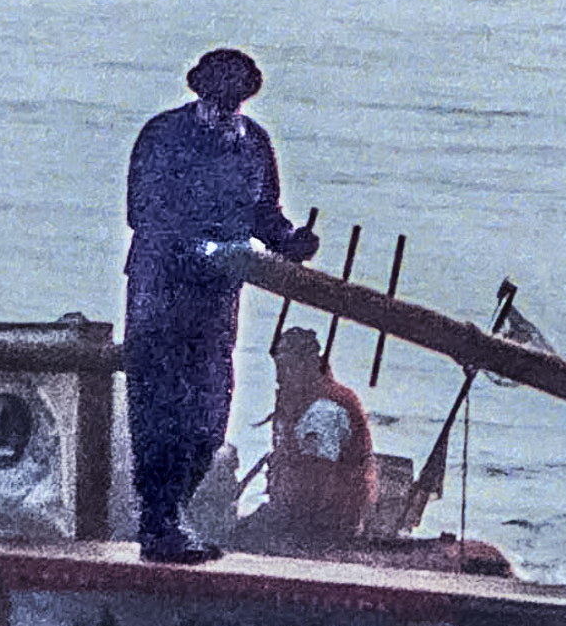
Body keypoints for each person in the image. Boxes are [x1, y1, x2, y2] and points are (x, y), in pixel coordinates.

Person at [123, 46, 317, 562]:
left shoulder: (253, 144)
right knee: (161, 413)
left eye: (234, 102)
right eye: (217, 100)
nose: (225, 111)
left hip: (215, 302)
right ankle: (159, 523)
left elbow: (264, 214)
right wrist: (202, 249)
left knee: (209, 417)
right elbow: (143, 213)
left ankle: (175, 515)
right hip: (159, 295)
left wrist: (289, 241)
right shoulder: (162, 136)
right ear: (199, 93)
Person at [255, 328, 380, 548]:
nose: (279, 377)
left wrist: (292, 528)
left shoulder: (324, 410)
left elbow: (321, 479)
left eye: (286, 367)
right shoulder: (300, 401)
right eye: (278, 367)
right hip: (302, 516)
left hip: (328, 525)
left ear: (308, 364)